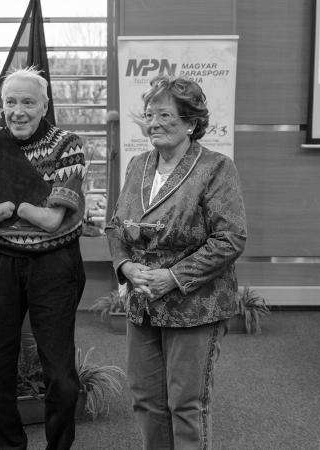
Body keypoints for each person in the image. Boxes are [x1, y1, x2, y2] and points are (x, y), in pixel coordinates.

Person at [106, 76, 246, 449]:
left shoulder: (216, 168)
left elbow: (230, 238)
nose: (154, 122)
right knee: (147, 401)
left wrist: (173, 276)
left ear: (190, 121)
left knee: (186, 404)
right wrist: (124, 266)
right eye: (150, 114)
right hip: (143, 302)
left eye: (165, 114)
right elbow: (116, 226)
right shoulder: (138, 164)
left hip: (193, 303)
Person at [0, 67, 86, 450]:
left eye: (28, 102)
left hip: (55, 266)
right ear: (2, 106)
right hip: (5, 263)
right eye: (11, 102)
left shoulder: (67, 144)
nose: (18, 111)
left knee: (59, 374)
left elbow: (53, 222)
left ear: (45, 105)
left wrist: (10, 204)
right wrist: (26, 204)